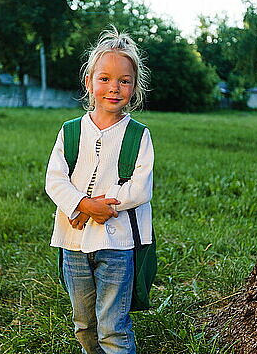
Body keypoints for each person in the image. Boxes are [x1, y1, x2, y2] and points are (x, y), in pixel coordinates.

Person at [45, 27, 154, 354]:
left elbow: (140, 187)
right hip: (74, 241)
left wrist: (104, 206)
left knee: (112, 327)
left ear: (134, 87)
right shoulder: (71, 131)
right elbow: (54, 179)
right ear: (89, 81)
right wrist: (81, 204)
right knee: (84, 323)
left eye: (124, 80)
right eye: (104, 79)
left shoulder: (138, 135)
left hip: (117, 243)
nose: (114, 88)